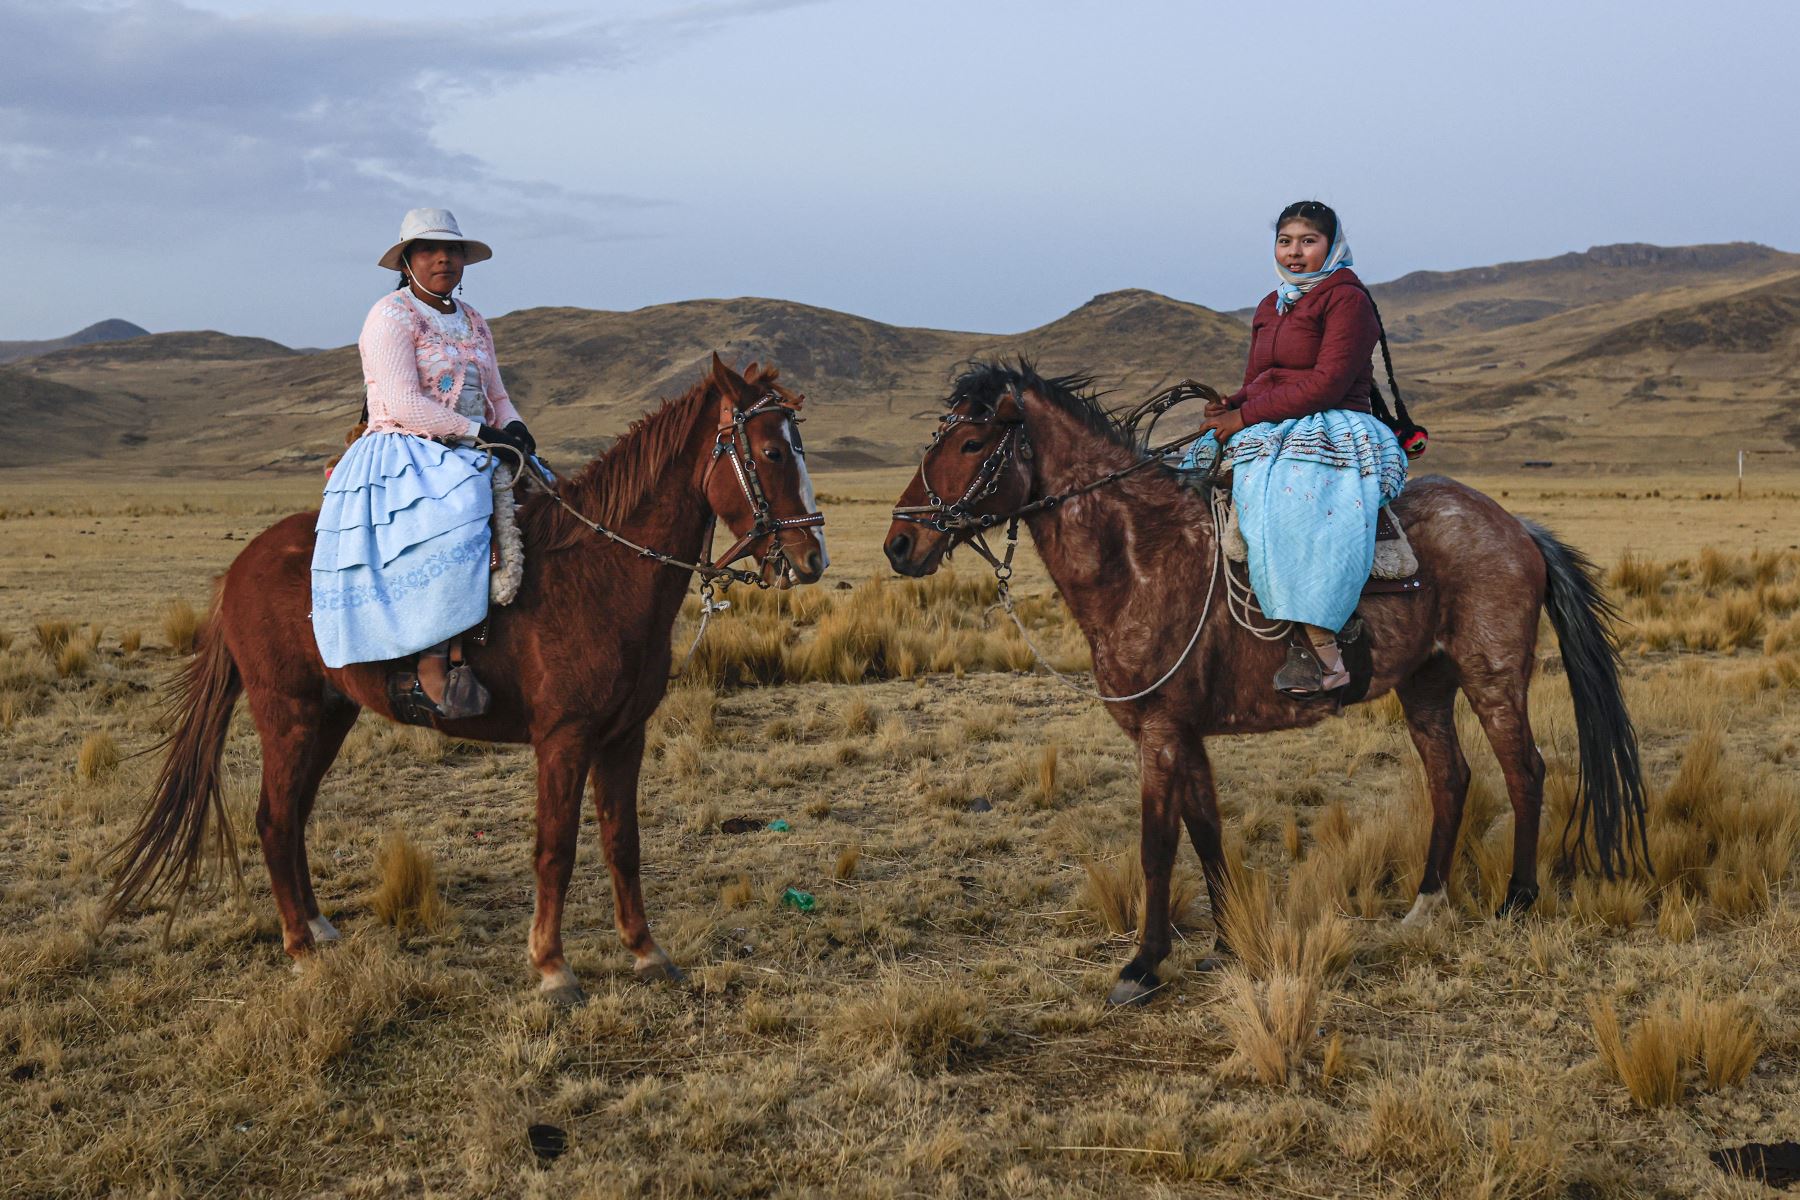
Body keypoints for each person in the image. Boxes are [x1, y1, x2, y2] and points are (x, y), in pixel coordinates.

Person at [310, 208, 537, 717]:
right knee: (456, 508)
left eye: (453, 250)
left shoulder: (475, 320)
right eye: (430, 250)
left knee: (555, 499)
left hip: (478, 443)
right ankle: (433, 661)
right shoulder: (390, 316)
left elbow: (497, 394)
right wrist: (482, 433)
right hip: (405, 447)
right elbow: (405, 402)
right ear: (407, 260)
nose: (443, 258)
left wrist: (515, 428)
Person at [1186, 200, 1408, 698]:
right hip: (1272, 417)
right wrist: (1232, 402)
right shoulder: (1273, 303)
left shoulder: (1347, 299)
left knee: (1289, 501)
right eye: (1285, 241)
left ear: (1332, 246)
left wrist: (1244, 416)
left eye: (1308, 241)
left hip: (1333, 424)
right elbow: (1260, 378)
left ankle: (1323, 651)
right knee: (1185, 476)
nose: (1295, 252)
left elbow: (1328, 383)